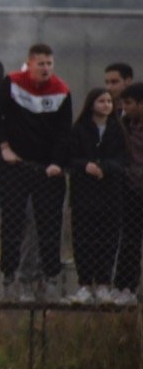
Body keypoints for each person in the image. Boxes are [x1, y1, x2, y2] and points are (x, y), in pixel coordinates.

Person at [0, 43, 72, 303]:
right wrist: (4, 146)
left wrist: (57, 163)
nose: (45, 68)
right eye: (40, 63)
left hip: (47, 169)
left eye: (49, 63)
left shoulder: (61, 91)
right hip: (16, 166)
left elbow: (64, 131)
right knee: (13, 221)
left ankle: (48, 279)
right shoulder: (12, 83)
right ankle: (10, 277)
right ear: (29, 63)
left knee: (49, 224)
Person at [66, 88, 126, 304]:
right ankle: (84, 284)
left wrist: (105, 167)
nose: (106, 105)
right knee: (83, 239)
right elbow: (70, 158)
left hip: (110, 194)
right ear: (92, 104)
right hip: (84, 194)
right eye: (102, 101)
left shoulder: (118, 130)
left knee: (108, 240)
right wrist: (85, 165)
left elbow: (123, 159)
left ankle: (103, 284)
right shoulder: (79, 129)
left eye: (109, 101)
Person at [114, 82, 143, 305]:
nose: (125, 108)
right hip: (130, 191)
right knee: (130, 239)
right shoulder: (123, 126)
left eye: (129, 104)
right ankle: (125, 286)